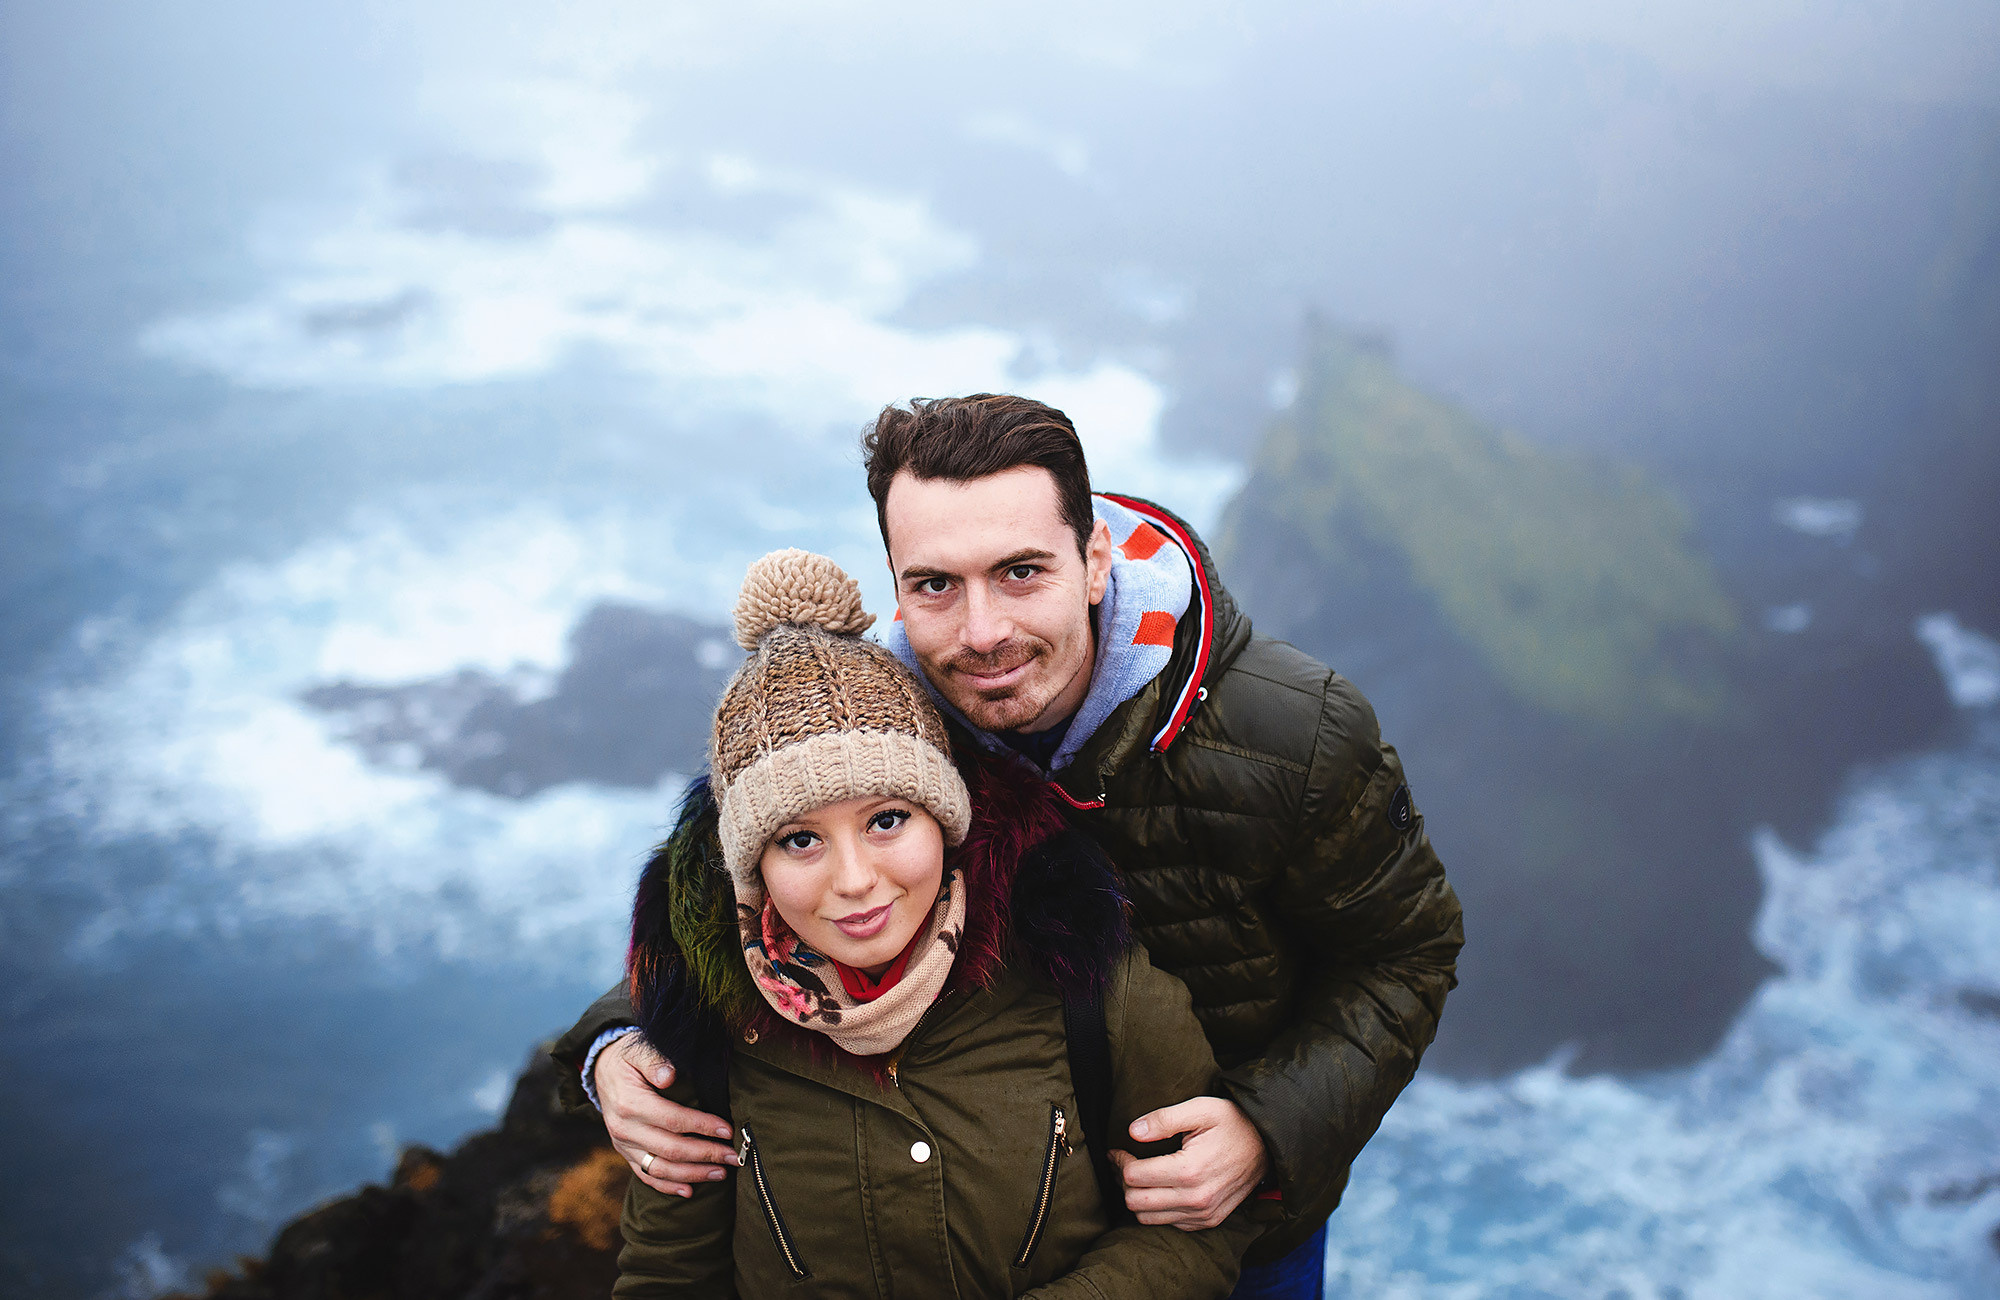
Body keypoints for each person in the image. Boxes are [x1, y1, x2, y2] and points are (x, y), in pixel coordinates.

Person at [554, 394, 1464, 1297]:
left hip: (1217, 1206)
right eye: (935, 585)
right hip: (989, 1197)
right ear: (894, 584)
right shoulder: (873, 724)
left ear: (1096, 558)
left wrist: (1267, 1128)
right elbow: (764, 893)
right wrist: (619, 1039)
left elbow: (1404, 953)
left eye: (1021, 571)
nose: (981, 632)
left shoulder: (1294, 731)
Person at [615, 548, 1266, 1297]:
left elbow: (1198, 1229)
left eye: (888, 819)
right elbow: (666, 1277)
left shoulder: (1087, 982)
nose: (856, 880)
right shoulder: (705, 1022)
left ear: (946, 819)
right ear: (750, 871)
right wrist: (604, 1047)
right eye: (800, 840)